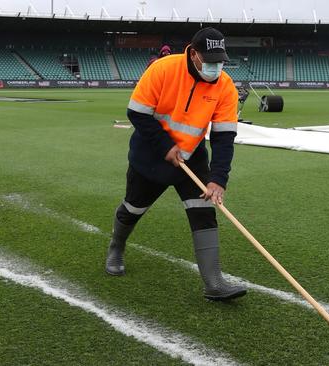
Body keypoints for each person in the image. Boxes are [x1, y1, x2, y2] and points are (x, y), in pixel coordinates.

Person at [106, 27, 247, 301]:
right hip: (150, 155)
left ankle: (214, 283)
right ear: (193, 54)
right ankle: (116, 246)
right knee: (133, 208)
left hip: (192, 158)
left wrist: (218, 179)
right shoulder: (163, 69)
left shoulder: (225, 86)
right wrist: (165, 147)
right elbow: (136, 113)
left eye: (219, 61)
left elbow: (224, 136)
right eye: (209, 60)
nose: (215, 67)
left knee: (204, 211)